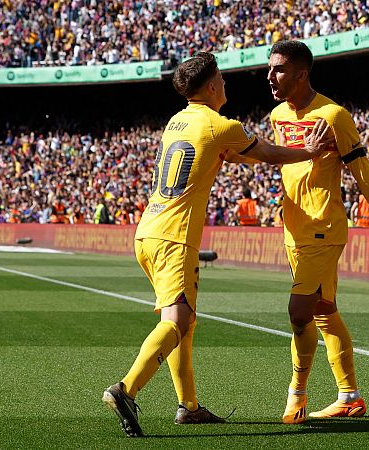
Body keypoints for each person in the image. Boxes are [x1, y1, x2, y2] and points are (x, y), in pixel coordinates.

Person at [102, 51, 335, 438]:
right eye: (222, 79)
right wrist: (308, 152)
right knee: (177, 322)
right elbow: (266, 153)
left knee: (183, 321)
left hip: (148, 231)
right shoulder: (220, 125)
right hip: (175, 237)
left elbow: (231, 155)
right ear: (211, 86)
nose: (226, 83)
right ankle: (126, 389)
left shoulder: (177, 122)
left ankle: (189, 407)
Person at [266, 40, 369, 425]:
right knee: (324, 312)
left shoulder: (334, 115)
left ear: (301, 74)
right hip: (294, 228)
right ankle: (349, 397)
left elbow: (361, 169)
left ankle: (297, 393)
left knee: (298, 313)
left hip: (324, 228)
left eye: (279, 69)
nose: (270, 76)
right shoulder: (277, 115)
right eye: (269, 69)